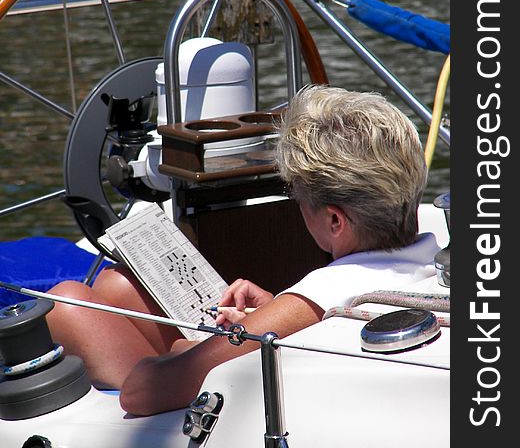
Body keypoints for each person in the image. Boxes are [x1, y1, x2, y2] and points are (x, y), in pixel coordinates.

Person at [47, 84, 438, 416]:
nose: (298, 209)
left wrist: (187, 349)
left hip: (225, 413)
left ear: (335, 221)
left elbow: (139, 394)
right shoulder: (433, 263)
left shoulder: (328, 291)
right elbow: (310, 320)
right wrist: (275, 306)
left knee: (66, 303)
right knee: (117, 291)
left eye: (298, 199)